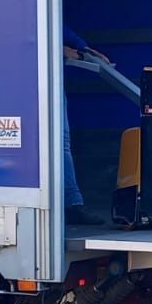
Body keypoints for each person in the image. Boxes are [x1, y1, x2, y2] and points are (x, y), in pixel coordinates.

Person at [63, 28, 109, 227]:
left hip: (46, 80)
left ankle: (72, 204)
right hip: (24, 79)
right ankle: (71, 204)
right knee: (57, 143)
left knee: (61, 142)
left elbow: (51, 19)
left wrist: (83, 47)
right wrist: (59, 48)